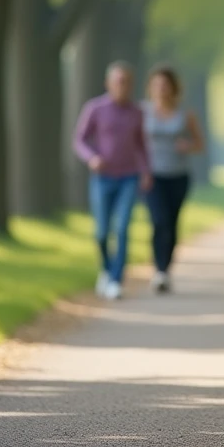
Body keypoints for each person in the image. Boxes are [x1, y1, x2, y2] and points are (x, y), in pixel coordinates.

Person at [72, 61, 152, 301]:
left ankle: (116, 280)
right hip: (102, 178)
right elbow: (80, 140)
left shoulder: (137, 112)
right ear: (108, 83)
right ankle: (106, 271)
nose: (122, 86)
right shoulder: (95, 109)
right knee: (101, 232)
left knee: (123, 228)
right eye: (118, 81)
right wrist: (92, 158)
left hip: (129, 177)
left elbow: (141, 145)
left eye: (126, 81)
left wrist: (146, 171)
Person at [141, 64, 206, 294]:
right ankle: (158, 271)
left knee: (172, 223)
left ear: (173, 88)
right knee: (159, 222)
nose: (161, 89)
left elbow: (200, 144)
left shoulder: (185, 115)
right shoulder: (142, 112)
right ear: (151, 87)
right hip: (152, 176)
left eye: (165, 85)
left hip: (178, 176)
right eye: (157, 84)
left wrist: (187, 145)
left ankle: (166, 270)